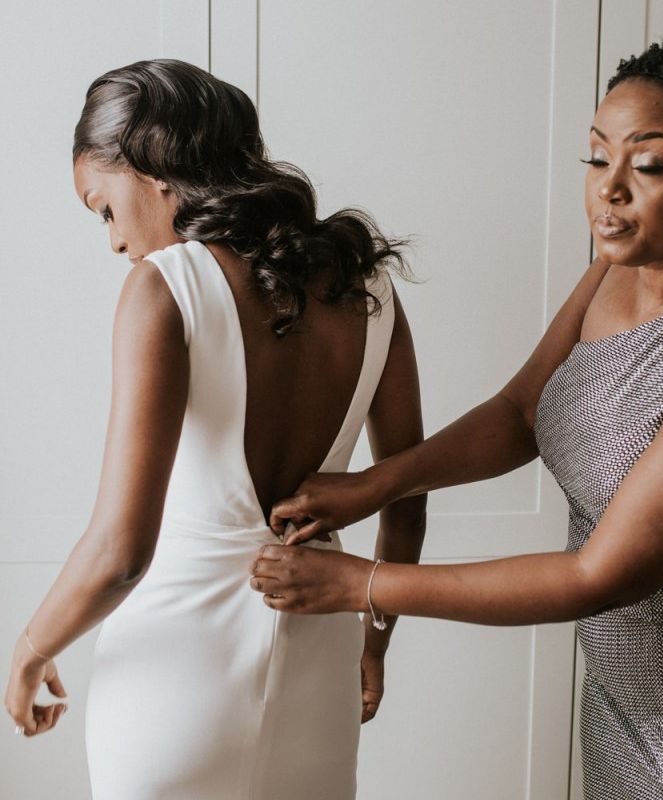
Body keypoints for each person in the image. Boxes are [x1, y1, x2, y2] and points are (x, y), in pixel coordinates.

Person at [252, 42, 663, 799]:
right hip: (622, 705)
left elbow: (597, 575)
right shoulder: (616, 268)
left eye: (648, 166)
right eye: (596, 158)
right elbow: (522, 412)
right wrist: (376, 484)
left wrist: (364, 584)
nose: (609, 190)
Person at [4, 59, 426, 800]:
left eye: (105, 209)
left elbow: (120, 551)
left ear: (152, 170)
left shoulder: (164, 288)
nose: (114, 242)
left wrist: (31, 650)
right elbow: (407, 495)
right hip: (319, 671)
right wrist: (376, 642)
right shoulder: (368, 288)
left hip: (173, 684)